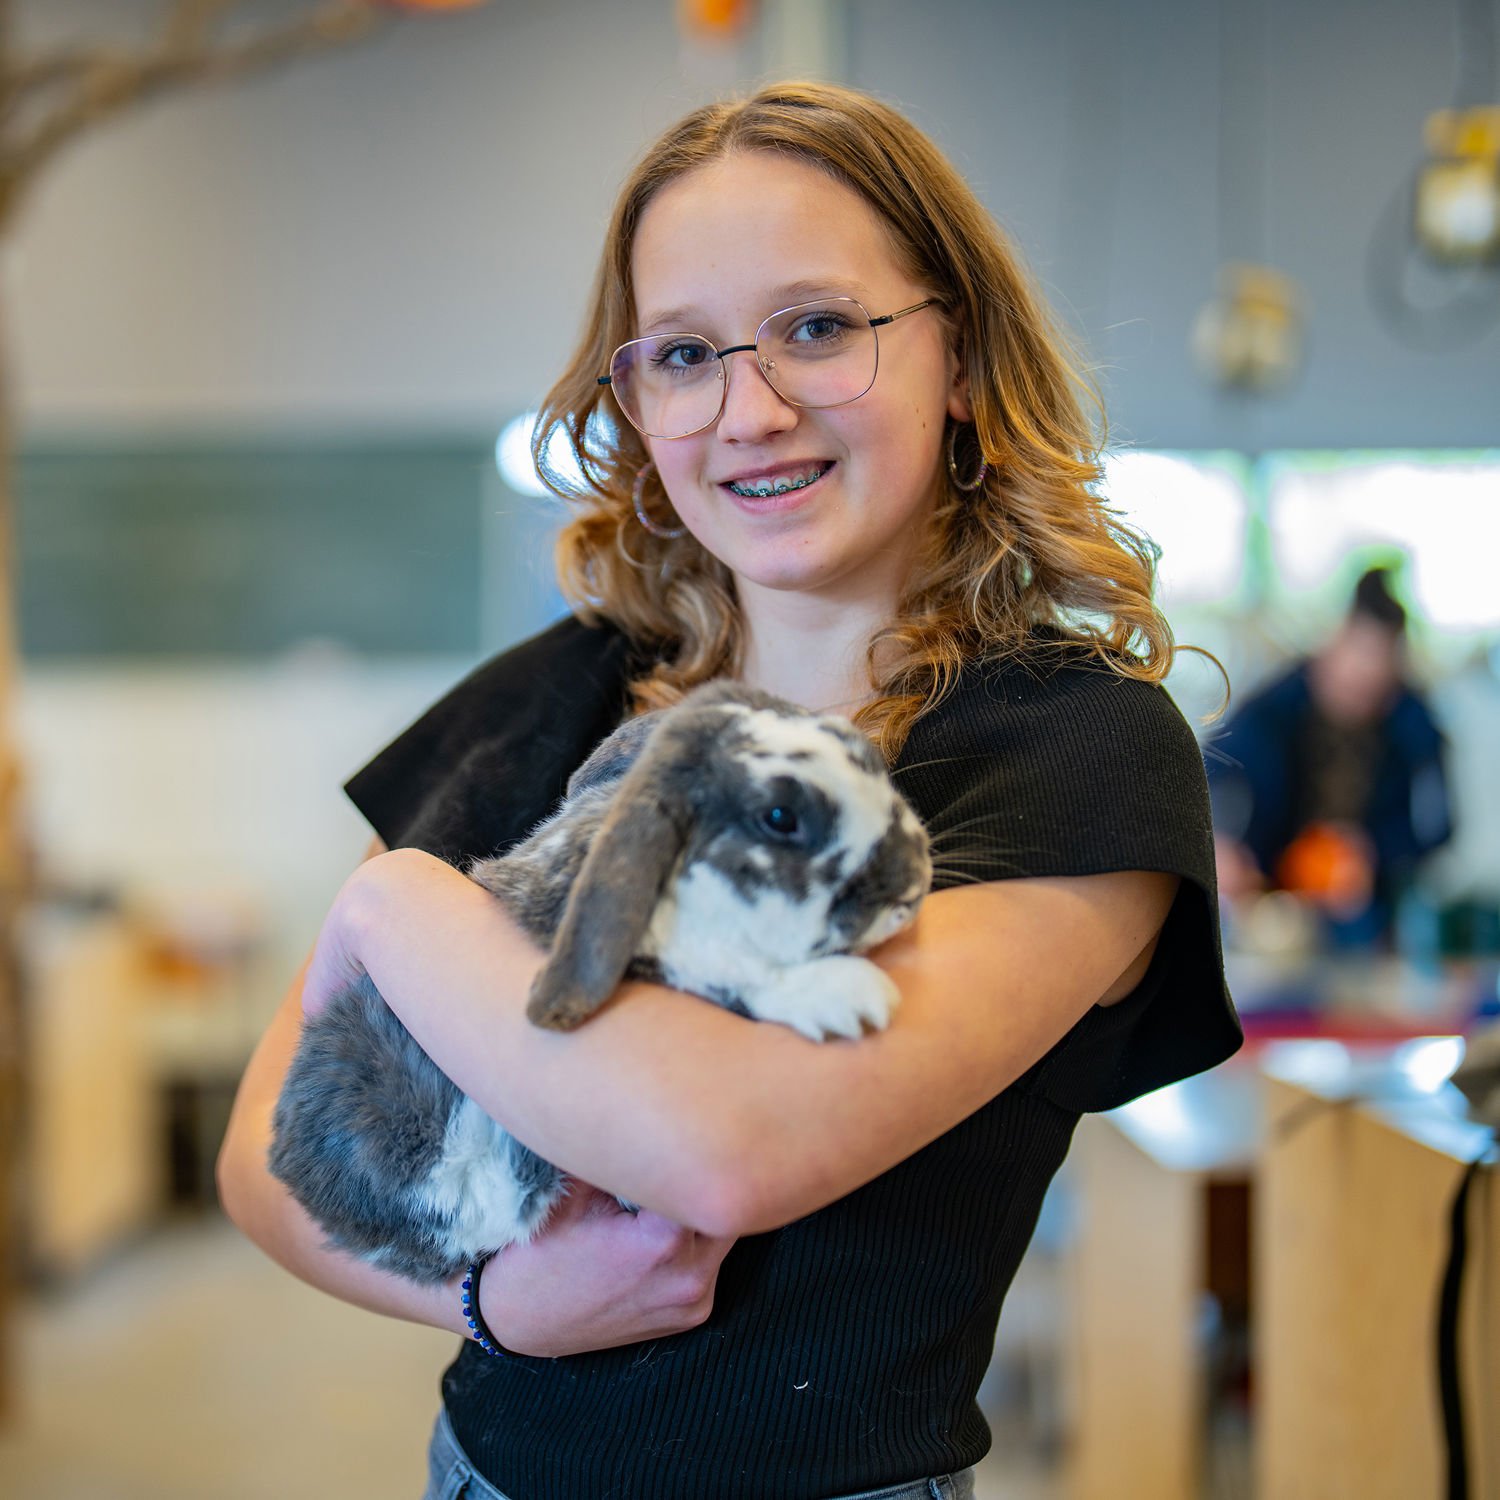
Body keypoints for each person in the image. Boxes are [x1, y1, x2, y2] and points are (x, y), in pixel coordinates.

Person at [217, 81, 1240, 1500]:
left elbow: (733, 1152)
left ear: (959, 355)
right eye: (687, 353)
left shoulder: (1073, 746)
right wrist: (489, 1306)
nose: (749, 412)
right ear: (637, 398)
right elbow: (268, 1157)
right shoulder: (562, 694)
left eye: (817, 327)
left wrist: (394, 909)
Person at [1208, 565, 1452, 947]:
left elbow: (1438, 825)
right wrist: (1223, 840)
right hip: (1272, 891)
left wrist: (1375, 851)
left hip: (1367, 904)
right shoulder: (1272, 707)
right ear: (1335, 643)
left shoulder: (1414, 724)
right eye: (1358, 657)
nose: (1362, 680)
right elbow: (1212, 764)